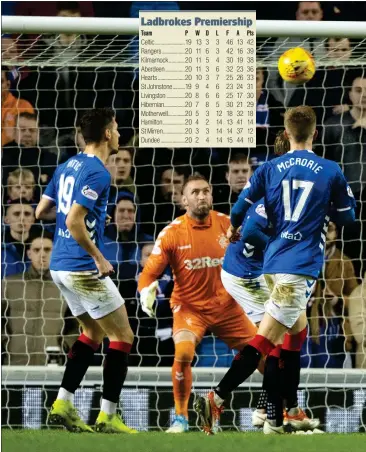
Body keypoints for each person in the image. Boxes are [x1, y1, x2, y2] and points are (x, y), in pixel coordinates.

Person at [195, 106, 356, 435]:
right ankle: (218, 396)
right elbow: (347, 218)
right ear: (315, 133)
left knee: (295, 333)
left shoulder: (269, 168)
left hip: (271, 265)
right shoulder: (329, 170)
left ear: (286, 129)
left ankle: (286, 413)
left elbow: (239, 206)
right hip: (297, 267)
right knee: (265, 340)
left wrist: (231, 229)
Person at [35, 108, 136, 434]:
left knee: (92, 333)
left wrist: (93, 216)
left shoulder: (67, 165)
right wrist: (98, 257)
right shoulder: (98, 172)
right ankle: (108, 416)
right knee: (123, 336)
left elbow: (40, 211)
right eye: (117, 129)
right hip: (81, 266)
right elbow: (72, 220)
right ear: (107, 133)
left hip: (59, 266)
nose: (119, 134)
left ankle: (63, 403)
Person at [138, 175, 257, 433]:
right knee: (182, 354)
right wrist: (144, 291)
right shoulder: (171, 233)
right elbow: (148, 274)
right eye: (195, 192)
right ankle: (181, 418)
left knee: (265, 356)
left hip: (228, 307)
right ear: (184, 200)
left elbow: (254, 250)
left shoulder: (229, 224)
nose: (201, 196)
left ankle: (272, 410)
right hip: (190, 307)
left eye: (206, 191)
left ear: (212, 196)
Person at [218, 133, 319, 432]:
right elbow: (250, 230)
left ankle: (281, 408)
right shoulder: (274, 189)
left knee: (296, 333)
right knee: (274, 340)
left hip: (267, 268)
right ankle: (267, 412)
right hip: (245, 273)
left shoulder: (288, 185)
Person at [1, 232, 74, 365]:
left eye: (47, 250)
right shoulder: (9, 284)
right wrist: (7, 343)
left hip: (52, 363)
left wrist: (64, 345)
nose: (42, 254)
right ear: (29, 254)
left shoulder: (67, 286)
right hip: (14, 361)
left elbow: (78, 325)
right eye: (36, 250)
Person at [1, 68, 35, 146]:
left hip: (12, 155)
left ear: (8, 84)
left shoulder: (23, 106)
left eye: (0, 81)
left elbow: (29, 140)